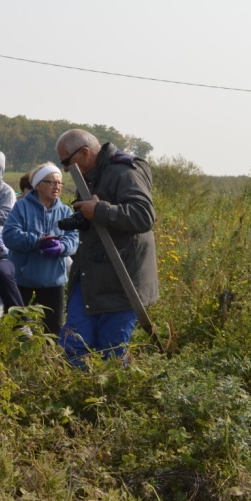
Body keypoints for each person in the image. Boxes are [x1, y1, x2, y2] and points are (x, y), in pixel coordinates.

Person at [55, 129, 158, 367]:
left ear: (84, 152)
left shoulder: (124, 171)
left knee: (111, 351)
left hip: (121, 280)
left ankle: (110, 400)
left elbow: (144, 216)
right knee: (73, 344)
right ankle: (76, 399)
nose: (66, 170)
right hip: (91, 276)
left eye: (66, 162)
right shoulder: (92, 175)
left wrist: (100, 211)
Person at [3, 163, 79, 336]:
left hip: (53, 280)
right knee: (16, 328)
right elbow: (9, 235)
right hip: (23, 279)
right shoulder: (22, 207)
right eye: (51, 182)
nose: (57, 186)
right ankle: (20, 362)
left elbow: (74, 239)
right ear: (37, 185)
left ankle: (50, 359)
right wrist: (37, 241)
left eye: (60, 183)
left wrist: (62, 247)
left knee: (53, 331)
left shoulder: (65, 211)